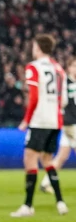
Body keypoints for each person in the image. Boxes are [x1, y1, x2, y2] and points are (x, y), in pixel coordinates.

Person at [11, 35, 68, 217]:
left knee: (29, 158)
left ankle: (28, 206)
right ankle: (60, 203)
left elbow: (34, 96)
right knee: (47, 160)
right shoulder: (59, 69)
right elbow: (64, 100)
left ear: (38, 48)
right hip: (56, 120)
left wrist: (27, 120)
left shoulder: (33, 68)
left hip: (40, 120)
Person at [41, 58, 76, 195]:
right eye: (73, 66)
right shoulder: (66, 83)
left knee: (62, 156)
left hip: (68, 125)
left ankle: (45, 182)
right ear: (68, 68)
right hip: (71, 124)